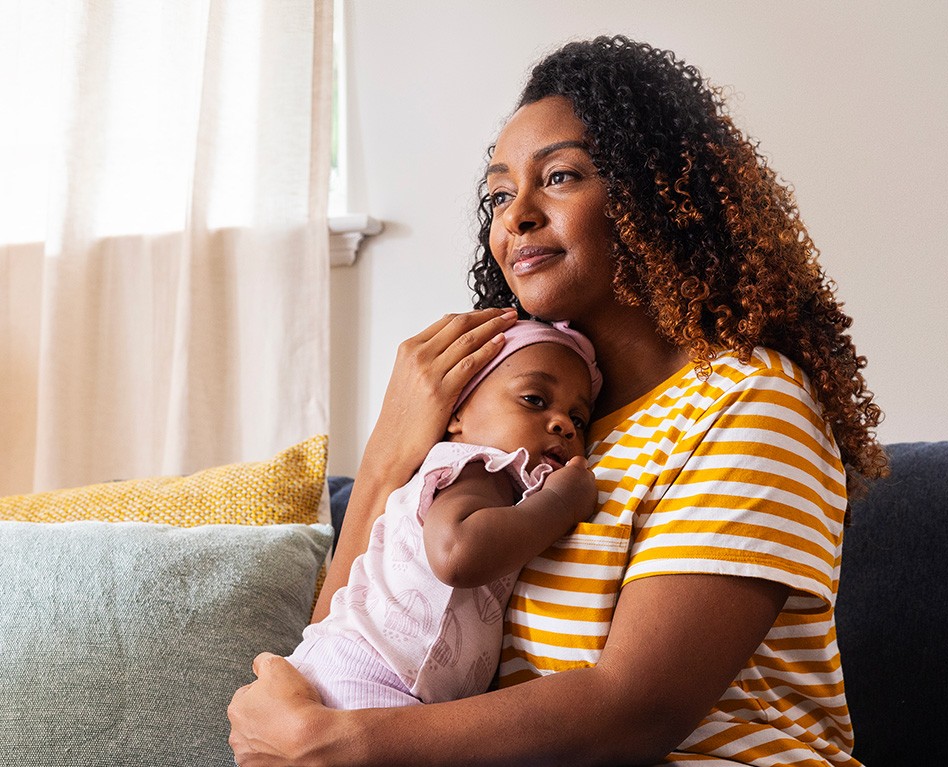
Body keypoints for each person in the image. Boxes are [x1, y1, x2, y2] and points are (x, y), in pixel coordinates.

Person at [229, 35, 888, 766]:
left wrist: (338, 743)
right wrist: (388, 457)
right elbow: (342, 653)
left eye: (562, 177)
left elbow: (635, 710)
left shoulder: (751, 400)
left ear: (655, 192)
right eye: (501, 193)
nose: (517, 216)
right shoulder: (514, 430)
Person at [288, 320, 602, 709]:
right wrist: (561, 504)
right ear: (457, 416)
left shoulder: (510, 490)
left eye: (578, 418)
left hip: (392, 686)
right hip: (364, 677)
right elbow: (457, 552)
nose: (563, 425)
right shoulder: (478, 467)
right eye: (534, 400)